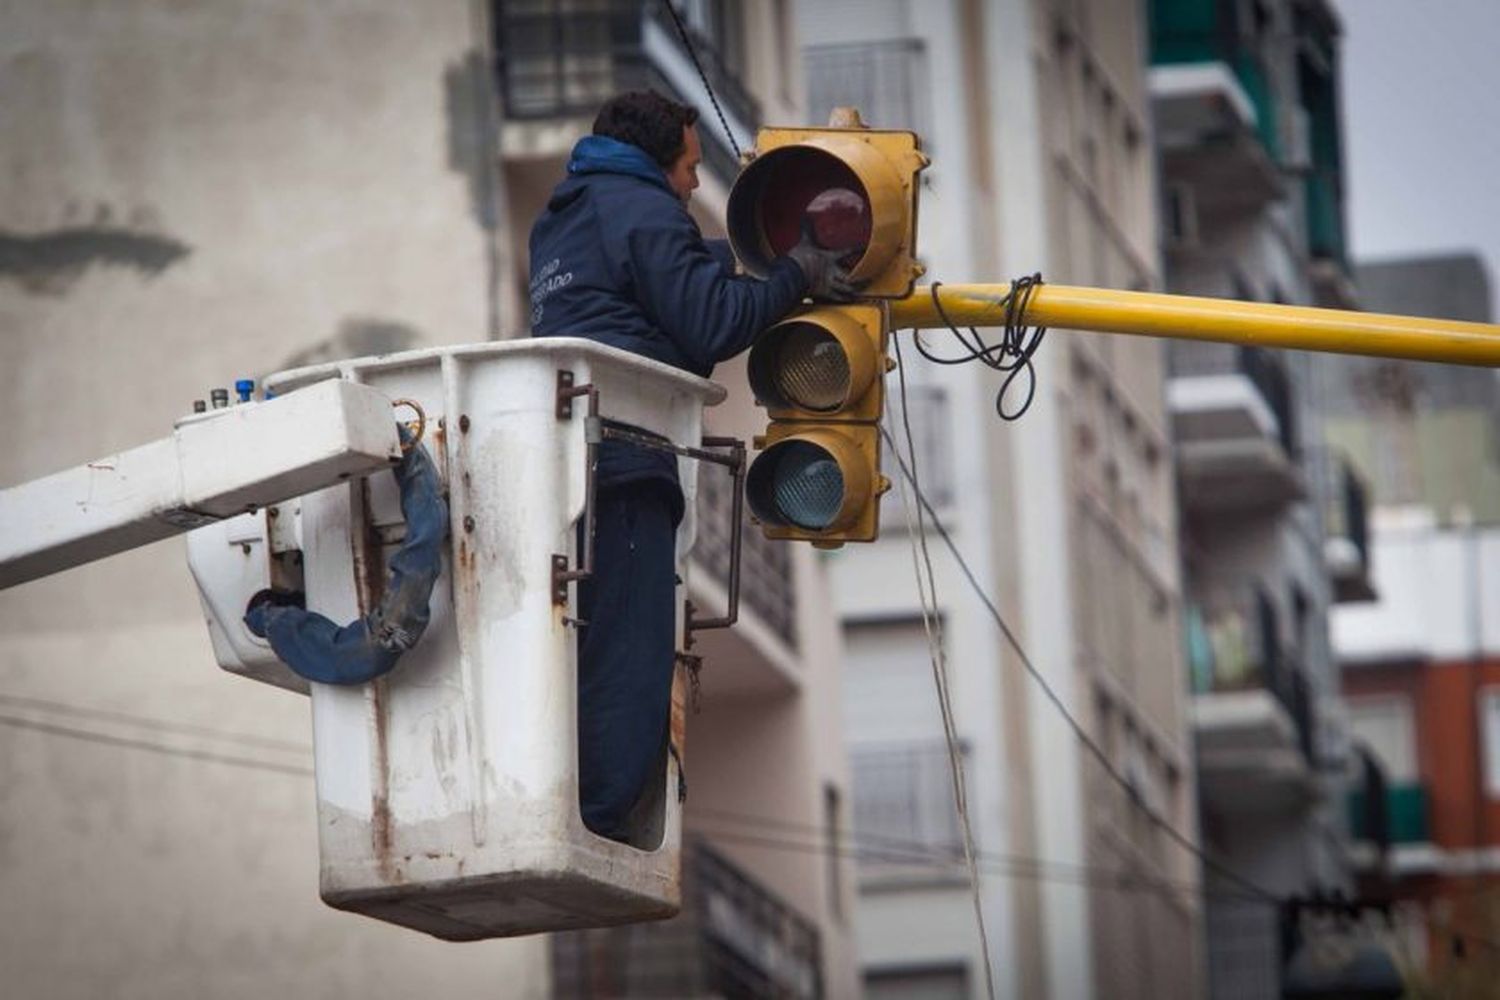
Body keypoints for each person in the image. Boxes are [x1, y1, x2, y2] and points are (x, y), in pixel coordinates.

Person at [528, 89, 855, 841]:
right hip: (632, 458)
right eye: (688, 167)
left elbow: (642, 312)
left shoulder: (565, 216)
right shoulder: (643, 210)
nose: (693, 185)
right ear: (656, 160)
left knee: (589, 642)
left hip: (571, 458)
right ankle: (603, 823)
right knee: (632, 658)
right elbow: (712, 322)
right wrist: (799, 270)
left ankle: (580, 803)